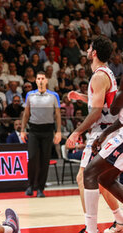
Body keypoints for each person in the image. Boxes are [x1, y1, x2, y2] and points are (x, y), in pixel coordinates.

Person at [66, 36, 123, 233]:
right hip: (107, 129)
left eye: (89, 47)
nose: (87, 50)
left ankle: (91, 229)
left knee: (84, 178)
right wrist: (81, 97)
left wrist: (76, 132)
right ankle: (120, 221)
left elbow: (97, 111)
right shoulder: (106, 73)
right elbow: (105, 104)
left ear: (94, 53)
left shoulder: (99, 76)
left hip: (102, 131)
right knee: (102, 179)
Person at [21, 72, 62, 198]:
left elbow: (57, 115)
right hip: (33, 130)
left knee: (44, 161)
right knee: (32, 158)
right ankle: (30, 186)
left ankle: (40, 189)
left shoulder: (54, 95)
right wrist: (23, 129)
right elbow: (26, 114)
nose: (40, 80)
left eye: (42, 78)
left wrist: (59, 131)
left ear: (47, 80)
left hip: (48, 130)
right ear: (36, 81)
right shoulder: (30, 95)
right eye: (38, 78)